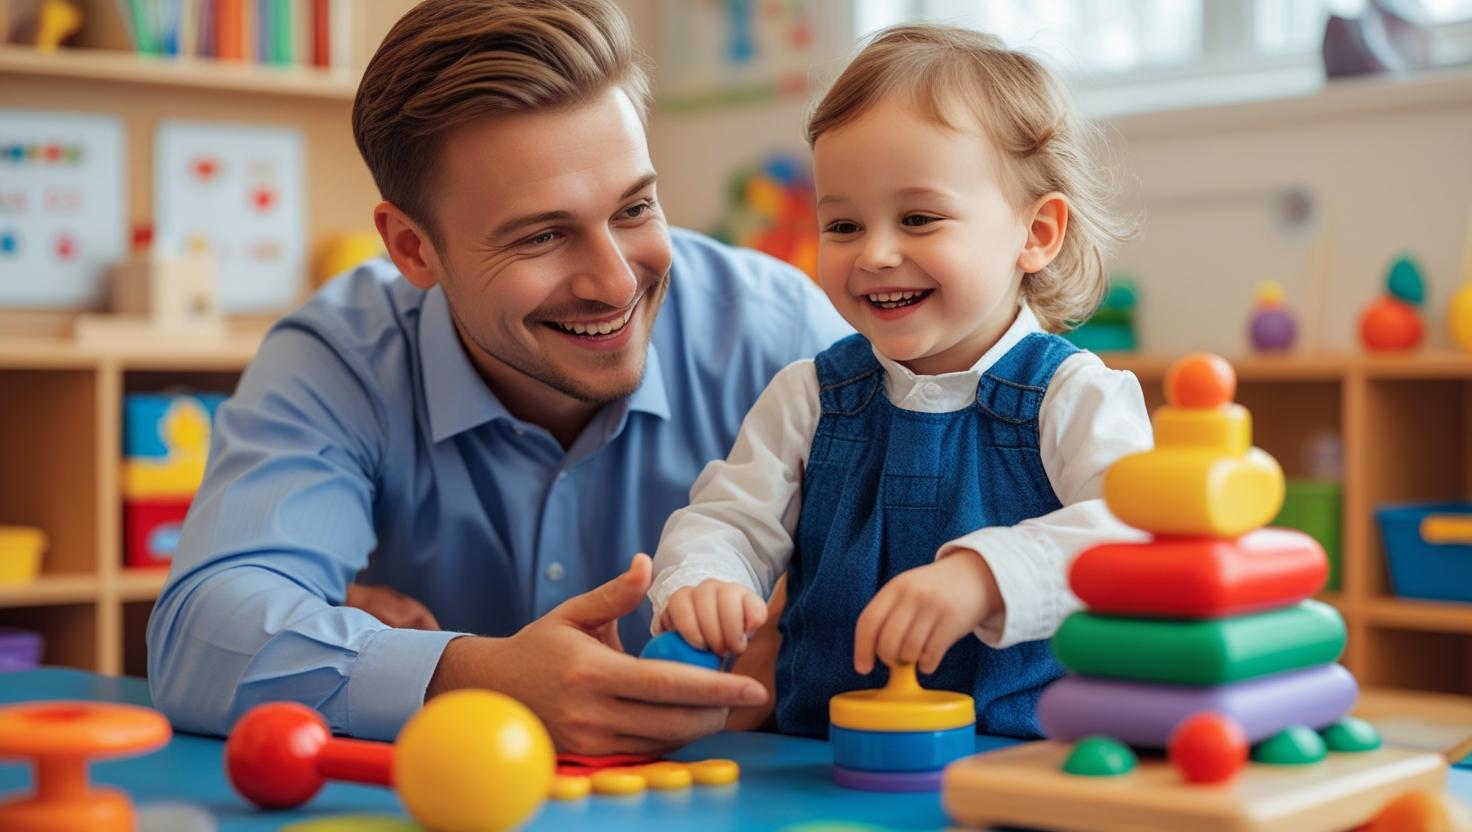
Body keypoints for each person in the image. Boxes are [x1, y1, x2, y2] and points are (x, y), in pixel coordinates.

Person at [145, 0, 850, 752]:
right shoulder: (341, 358)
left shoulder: (784, 335)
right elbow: (201, 635)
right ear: (414, 250)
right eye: (542, 236)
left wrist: (818, 636)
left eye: (635, 207)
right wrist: (471, 677)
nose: (614, 283)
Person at [648, 24, 1153, 739]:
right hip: (824, 765)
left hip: (1023, 763)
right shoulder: (809, 397)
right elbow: (729, 520)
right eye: (844, 225)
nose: (877, 254)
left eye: (918, 218)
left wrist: (983, 576)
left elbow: (1133, 532)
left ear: (1037, 234)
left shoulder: (1072, 396)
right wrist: (704, 581)